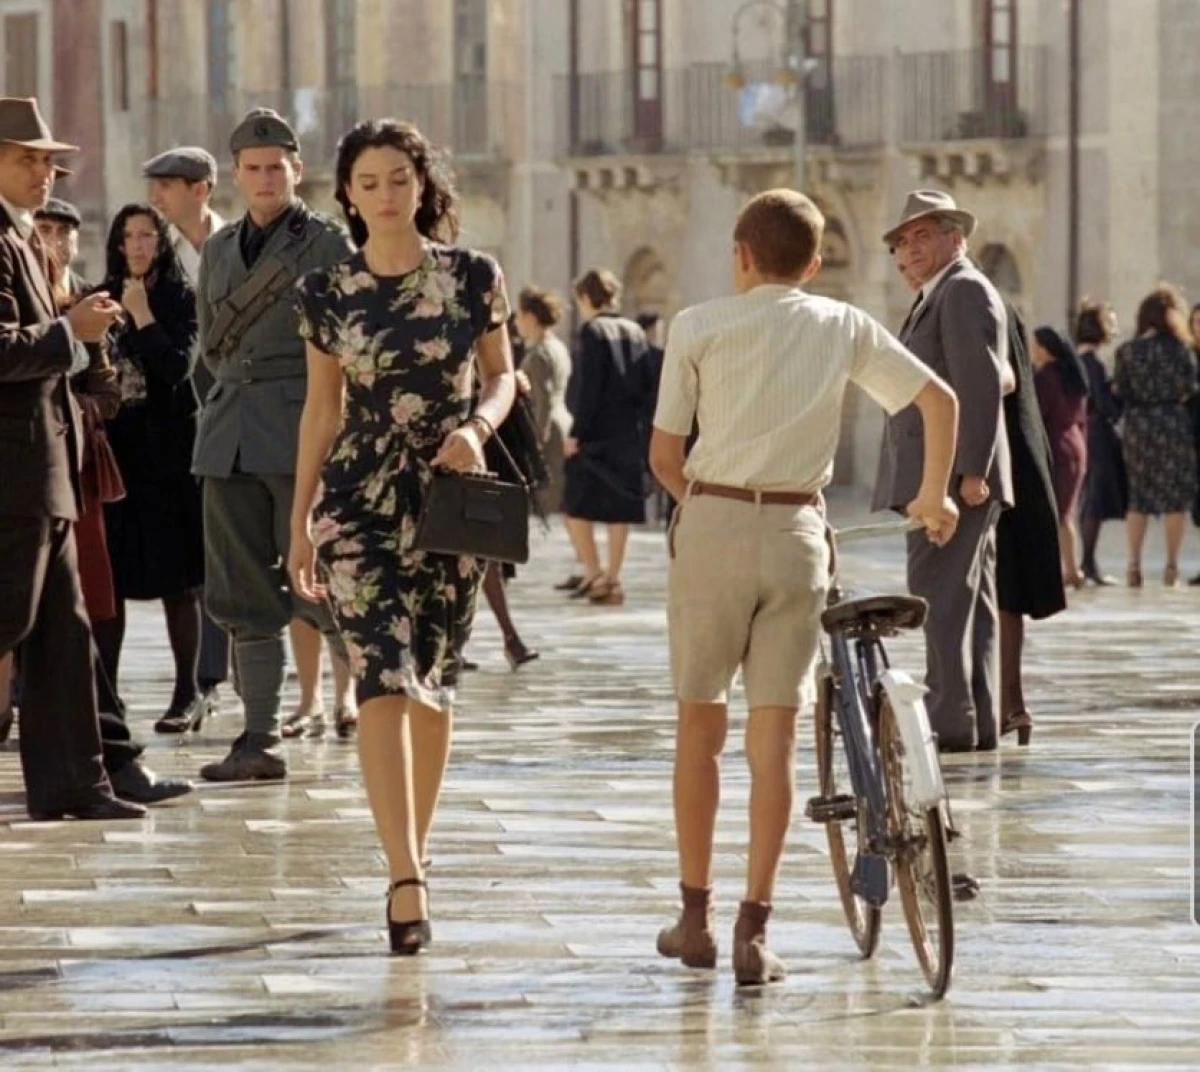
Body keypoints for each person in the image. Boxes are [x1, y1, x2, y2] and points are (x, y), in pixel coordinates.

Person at [649, 188, 958, 986]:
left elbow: (663, 457)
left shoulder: (698, 326)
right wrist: (934, 495)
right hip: (797, 534)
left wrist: (705, 510)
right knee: (775, 738)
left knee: (699, 726)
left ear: (741, 255)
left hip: (713, 522)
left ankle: (694, 919)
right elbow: (939, 399)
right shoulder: (843, 324)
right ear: (815, 264)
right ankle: (755, 932)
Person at [289, 119, 515, 955]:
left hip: (450, 501)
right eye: (368, 182)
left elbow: (503, 375)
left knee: (431, 682)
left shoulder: (472, 276)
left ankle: (414, 851)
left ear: (422, 184)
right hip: (356, 501)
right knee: (381, 673)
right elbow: (321, 411)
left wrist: (478, 429)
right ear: (347, 196)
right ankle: (405, 874)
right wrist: (300, 522)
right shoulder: (325, 292)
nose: (385, 194)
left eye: (398, 178)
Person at [192, 107, 355, 781]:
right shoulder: (217, 250)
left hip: (300, 432)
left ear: (297, 170)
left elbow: (348, 349)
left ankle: (381, 704)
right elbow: (209, 347)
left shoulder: (328, 245)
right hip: (227, 435)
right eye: (253, 168)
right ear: (235, 175)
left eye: (276, 167)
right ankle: (259, 737)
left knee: (321, 583)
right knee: (240, 590)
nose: (265, 178)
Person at [0, 95, 144, 820]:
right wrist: (71, 332)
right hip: (12, 476)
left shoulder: (23, 235)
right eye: (27, 159)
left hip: (47, 470)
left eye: (48, 161)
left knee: (65, 634)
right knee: (9, 619)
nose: (44, 173)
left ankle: (75, 785)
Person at [873, 190, 1013, 754]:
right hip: (950, 477)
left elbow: (979, 384)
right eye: (902, 242)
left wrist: (971, 472)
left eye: (923, 236)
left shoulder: (961, 291)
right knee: (968, 601)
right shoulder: (944, 292)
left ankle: (948, 720)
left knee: (941, 598)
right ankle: (973, 720)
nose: (909, 250)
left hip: (950, 481)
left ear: (957, 238)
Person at [91, 204, 207, 735]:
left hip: (168, 456)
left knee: (176, 579)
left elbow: (176, 370)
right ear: (117, 244)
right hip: (115, 454)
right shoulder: (99, 299)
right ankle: (107, 696)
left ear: (161, 243)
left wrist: (142, 316)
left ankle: (187, 693)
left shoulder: (181, 299)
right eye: (128, 236)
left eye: (147, 236)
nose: (137, 246)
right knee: (111, 578)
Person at [143, 146, 231, 711]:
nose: (155, 198)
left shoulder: (239, 243)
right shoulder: (156, 253)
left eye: (166, 186)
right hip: (178, 413)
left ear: (200, 189)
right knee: (193, 543)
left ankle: (217, 671)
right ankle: (201, 675)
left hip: (234, 404)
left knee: (227, 541)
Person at [561, 268, 650, 606]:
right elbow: (647, 383)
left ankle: (595, 573)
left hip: (595, 434)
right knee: (620, 508)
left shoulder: (592, 331)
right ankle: (613, 576)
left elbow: (589, 387)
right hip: (628, 432)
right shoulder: (636, 331)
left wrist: (576, 433)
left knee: (575, 505)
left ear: (585, 297)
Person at [1113, 284, 1198, 587]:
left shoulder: (1127, 351)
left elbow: (1120, 389)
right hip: (1173, 424)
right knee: (1175, 498)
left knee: (1138, 497)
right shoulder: (1181, 350)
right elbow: (1190, 387)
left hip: (1138, 426)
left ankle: (1133, 565)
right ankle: (1171, 567)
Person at [1031, 326, 1089, 588]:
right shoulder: (1072, 376)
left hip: (1055, 447)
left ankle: (1056, 570)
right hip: (1075, 445)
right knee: (1065, 513)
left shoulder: (1045, 378)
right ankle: (1072, 569)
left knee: (1051, 512)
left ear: (1044, 349)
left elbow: (1036, 415)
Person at [1075, 300, 1127, 585]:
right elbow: (1105, 403)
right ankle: (1088, 562)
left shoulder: (1077, 360)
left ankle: (1087, 562)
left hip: (1085, 430)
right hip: (1097, 434)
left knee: (1089, 499)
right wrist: (1117, 396)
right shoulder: (1093, 363)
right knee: (1094, 500)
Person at [515, 284, 571, 515]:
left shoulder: (540, 354)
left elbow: (543, 401)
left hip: (547, 430)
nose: (517, 322)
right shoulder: (557, 347)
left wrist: (536, 443)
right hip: (561, 423)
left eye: (519, 316)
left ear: (530, 317)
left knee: (546, 501)